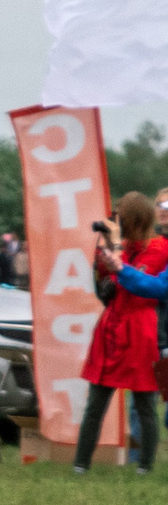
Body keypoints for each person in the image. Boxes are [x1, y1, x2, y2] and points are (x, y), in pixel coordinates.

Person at [74, 195, 168, 473]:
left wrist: (116, 251)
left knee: (145, 404)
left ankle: (145, 467)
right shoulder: (120, 245)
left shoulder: (162, 249)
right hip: (111, 328)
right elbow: (106, 281)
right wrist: (104, 250)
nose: (118, 222)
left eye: (122, 216)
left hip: (143, 331)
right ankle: (80, 465)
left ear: (136, 220)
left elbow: (153, 288)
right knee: (95, 403)